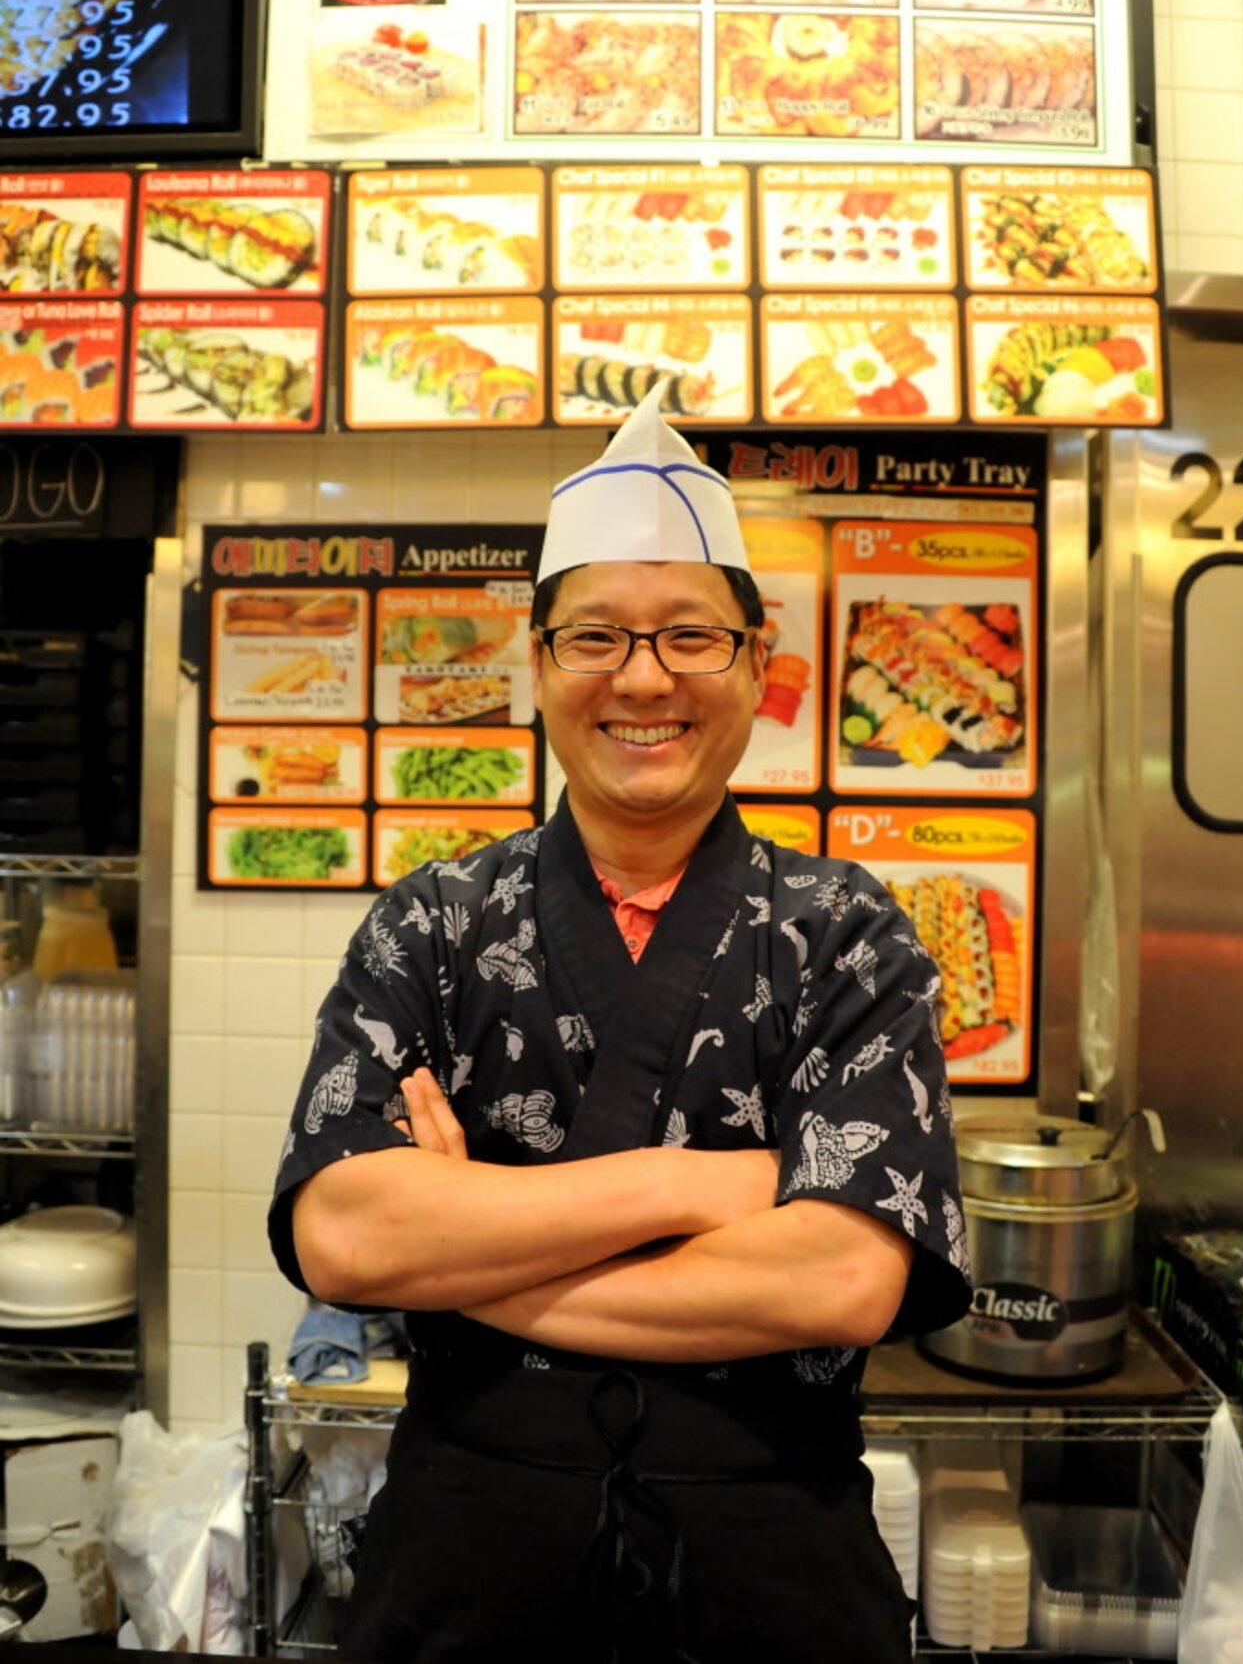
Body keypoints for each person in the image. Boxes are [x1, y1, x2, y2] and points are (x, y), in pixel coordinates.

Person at [269, 392, 972, 1664]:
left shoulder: (847, 930)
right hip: (461, 1568)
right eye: (594, 635)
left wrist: (469, 1244)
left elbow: (847, 1276)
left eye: (689, 637)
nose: (642, 679)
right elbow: (344, 1235)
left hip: (774, 1564)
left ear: (758, 667)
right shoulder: (432, 922)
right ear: (536, 665)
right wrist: (702, 1187)